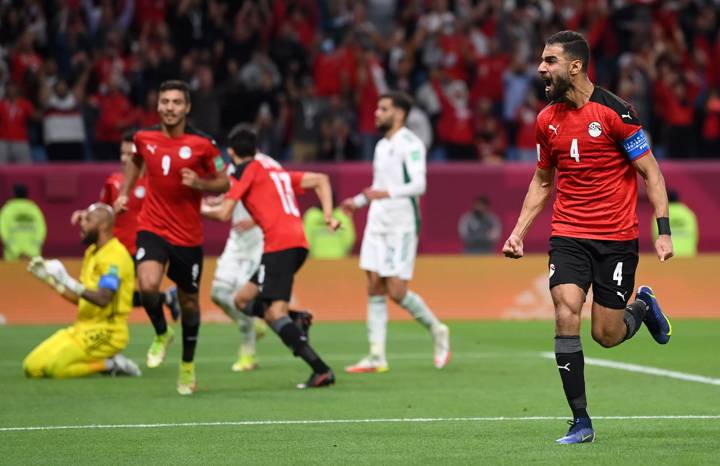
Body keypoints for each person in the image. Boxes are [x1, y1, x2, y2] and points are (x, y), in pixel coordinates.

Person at [501, 31, 674, 444]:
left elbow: (651, 172)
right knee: (565, 312)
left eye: (550, 61)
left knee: (607, 335)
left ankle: (643, 305)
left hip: (616, 239)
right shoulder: (546, 120)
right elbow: (543, 180)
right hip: (568, 234)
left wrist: (663, 231)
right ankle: (581, 421)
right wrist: (518, 233)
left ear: (575, 66)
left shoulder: (616, 112)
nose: (541, 69)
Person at [114, 80, 230, 395]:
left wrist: (201, 185)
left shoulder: (204, 144)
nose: (169, 107)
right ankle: (162, 333)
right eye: (165, 101)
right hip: (152, 226)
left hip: (187, 236)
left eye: (176, 102)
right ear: (158, 105)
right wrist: (124, 193)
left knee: (189, 302)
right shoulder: (143, 138)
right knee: (148, 284)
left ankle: (187, 366)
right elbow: (136, 161)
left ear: (187, 107)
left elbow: (225, 183)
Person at [201, 124, 337, 389]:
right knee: (241, 300)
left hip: (279, 246)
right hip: (296, 244)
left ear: (231, 153)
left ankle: (321, 370)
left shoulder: (246, 170)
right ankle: (297, 319)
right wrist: (328, 215)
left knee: (274, 314)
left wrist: (196, 207)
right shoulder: (276, 170)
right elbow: (321, 179)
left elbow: (223, 213)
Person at [341, 91, 451, 374]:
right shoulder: (381, 146)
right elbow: (378, 185)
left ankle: (438, 330)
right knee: (374, 284)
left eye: (383, 108)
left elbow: (419, 185)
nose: (377, 113)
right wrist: (358, 201)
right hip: (377, 222)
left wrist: (382, 193)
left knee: (397, 290)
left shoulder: (411, 144)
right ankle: (376, 355)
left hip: (401, 223)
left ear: (399, 114)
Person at [23, 203, 141, 378]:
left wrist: (68, 281)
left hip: (108, 332)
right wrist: (51, 281)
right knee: (31, 366)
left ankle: (109, 364)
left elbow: (103, 299)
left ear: (103, 225)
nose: (82, 223)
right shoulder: (92, 253)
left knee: (55, 368)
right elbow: (81, 298)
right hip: (82, 328)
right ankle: (108, 362)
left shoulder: (115, 256)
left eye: (88, 219)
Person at [72, 131, 180, 320]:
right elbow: (102, 210)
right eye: (122, 153)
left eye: (130, 154)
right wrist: (85, 213)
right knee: (117, 295)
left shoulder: (154, 183)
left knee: (142, 292)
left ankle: (165, 302)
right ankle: (167, 299)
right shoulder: (113, 182)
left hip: (145, 247)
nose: (124, 159)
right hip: (119, 248)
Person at [207, 174, 268, 373]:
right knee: (217, 293)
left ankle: (248, 354)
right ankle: (250, 324)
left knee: (241, 299)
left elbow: (277, 203)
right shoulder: (233, 169)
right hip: (235, 243)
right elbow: (232, 192)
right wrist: (219, 200)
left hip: (257, 245)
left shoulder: (266, 168)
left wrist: (255, 220)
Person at [0, 184, 46, 261]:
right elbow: (41, 230)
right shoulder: (34, 209)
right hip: (32, 258)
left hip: (12, 258)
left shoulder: (7, 209)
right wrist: (32, 251)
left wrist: (15, 251)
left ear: (13, 194)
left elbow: (3, 231)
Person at [651, 190, 698, 257]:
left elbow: (656, 237)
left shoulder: (659, 215)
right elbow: (695, 235)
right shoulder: (688, 213)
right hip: (688, 256)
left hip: (668, 256)